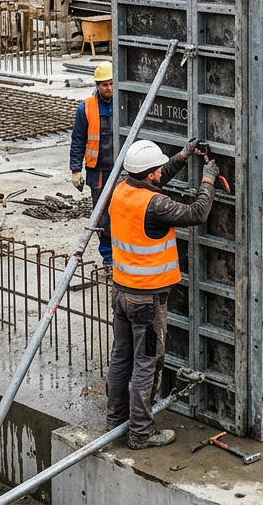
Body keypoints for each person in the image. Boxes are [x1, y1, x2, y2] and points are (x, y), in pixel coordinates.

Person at [104, 138, 216, 449]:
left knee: (121, 358)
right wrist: (208, 177)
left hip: (122, 292)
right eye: (158, 170)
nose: (159, 174)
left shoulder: (122, 191)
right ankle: (141, 433)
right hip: (147, 300)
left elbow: (154, 182)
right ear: (150, 173)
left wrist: (182, 157)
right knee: (147, 364)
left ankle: (116, 421)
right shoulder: (155, 205)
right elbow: (196, 213)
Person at [70, 62, 115, 265]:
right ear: (97, 85)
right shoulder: (86, 107)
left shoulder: (124, 102)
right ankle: (108, 257)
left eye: (112, 84)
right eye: (104, 84)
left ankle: (123, 255)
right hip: (98, 170)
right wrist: (75, 170)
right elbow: (78, 139)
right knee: (102, 216)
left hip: (121, 168)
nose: (109, 88)